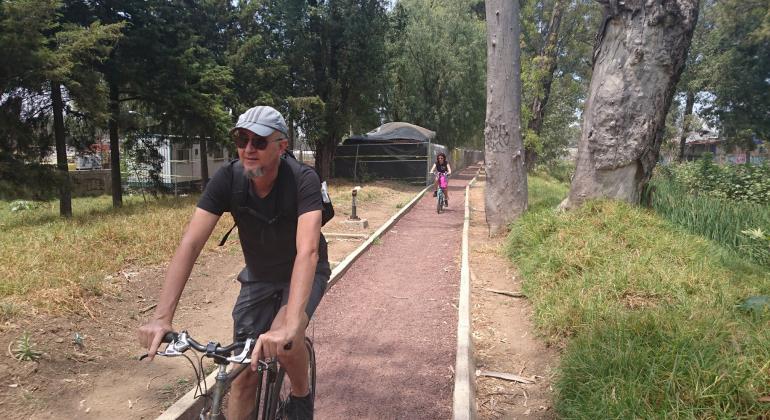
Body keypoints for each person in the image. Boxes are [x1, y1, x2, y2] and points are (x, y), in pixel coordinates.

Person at [138, 105, 329, 420]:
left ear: (281, 147)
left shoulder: (302, 180)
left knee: (284, 340)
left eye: (259, 141)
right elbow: (191, 243)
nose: (248, 149)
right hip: (258, 276)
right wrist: (162, 317)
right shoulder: (228, 178)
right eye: (242, 139)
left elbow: (307, 251)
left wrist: (292, 325)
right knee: (242, 374)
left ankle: (300, 395)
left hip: (303, 271)